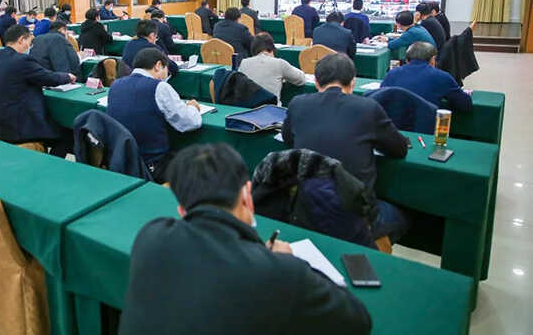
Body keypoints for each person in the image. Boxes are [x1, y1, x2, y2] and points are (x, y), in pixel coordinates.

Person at [119, 143, 372, 335]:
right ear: (246, 196)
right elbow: (358, 321)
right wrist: (291, 262)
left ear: (182, 209)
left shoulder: (149, 237)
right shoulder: (282, 273)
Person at [282, 53, 410, 242]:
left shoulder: (297, 104)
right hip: (353, 217)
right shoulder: (368, 107)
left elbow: (288, 139)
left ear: (316, 82)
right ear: (353, 82)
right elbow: (399, 149)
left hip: (305, 211)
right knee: (402, 215)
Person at [107, 48, 201, 182]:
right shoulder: (159, 87)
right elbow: (190, 122)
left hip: (121, 162)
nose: (166, 76)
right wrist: (192, 108)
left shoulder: (115, 85)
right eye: (166, 71)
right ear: (158, 65)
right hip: (151, 166)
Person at [0, 25, 73, 157]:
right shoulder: (22, 60)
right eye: (30, 42)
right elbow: (48, 78)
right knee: (68, 135)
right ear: (21, 40)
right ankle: (49, 164)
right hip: (21, 126)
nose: (30, 46)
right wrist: (68, 77)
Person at [381, 42, 473, 111]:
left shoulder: (391, 74)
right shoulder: (442, 77)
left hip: (392, 126)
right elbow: (465, 105)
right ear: (432, 60)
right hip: (425, 127)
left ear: (407, 60)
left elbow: (380, 99)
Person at [239, 33, 305, 102]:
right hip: (271, 107)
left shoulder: (243, 63)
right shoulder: (279, 63)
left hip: (248, 107)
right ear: (272, 48)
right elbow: (301, 79)